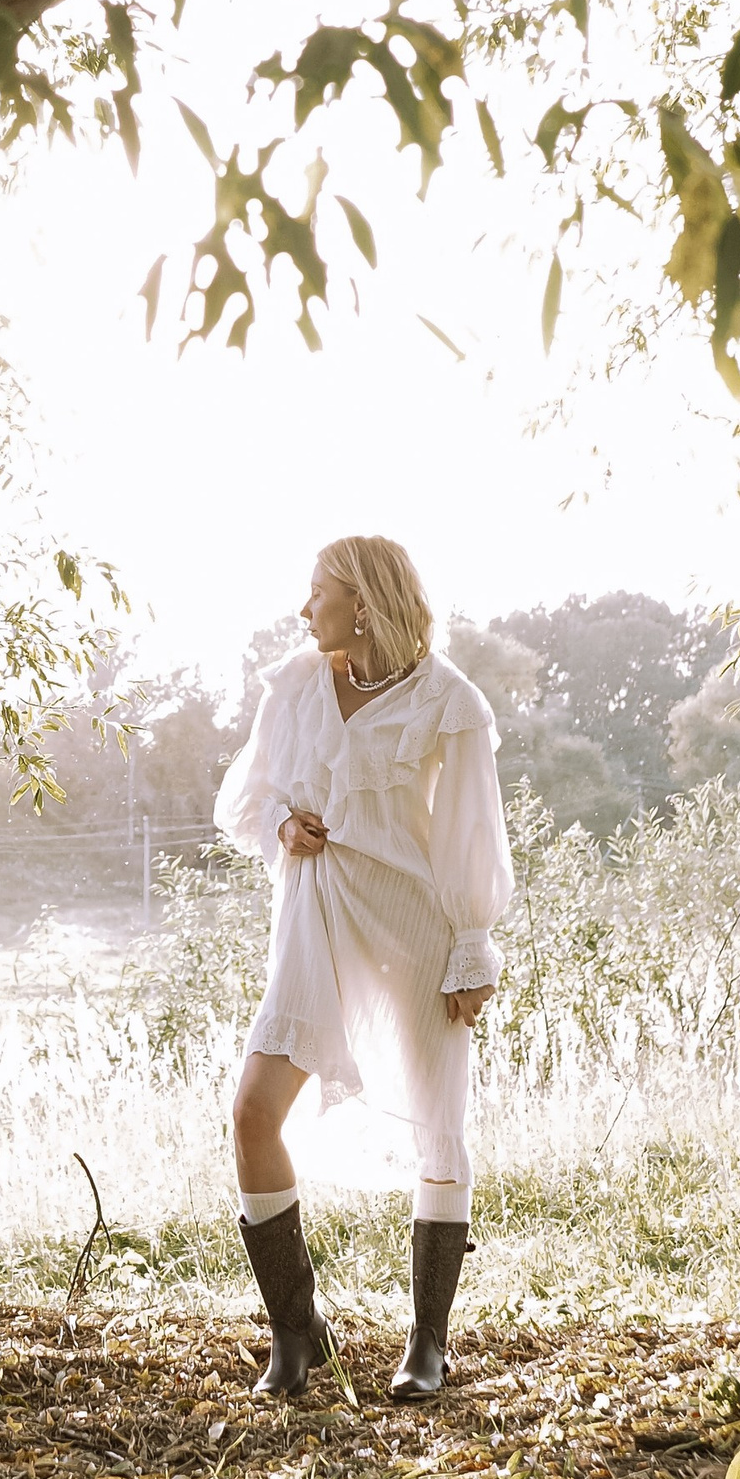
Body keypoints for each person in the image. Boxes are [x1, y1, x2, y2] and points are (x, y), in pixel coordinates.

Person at [213, 535, 513, 1402]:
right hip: (314, 921)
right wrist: (283, 825)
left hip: (413, 926)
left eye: (318, 594)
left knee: (437, 1125)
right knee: (253, 1112)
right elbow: (247, 795)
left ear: (365, 603)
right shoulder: (295, 686)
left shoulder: (448, 700)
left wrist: (471, 945)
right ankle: (296, 1331)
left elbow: (470, 836)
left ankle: (427, 1342)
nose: (304, 610)